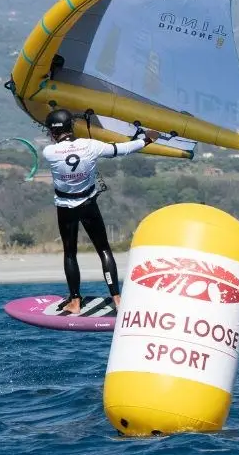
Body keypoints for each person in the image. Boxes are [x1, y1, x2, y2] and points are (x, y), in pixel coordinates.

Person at [42, 108, 159, 314]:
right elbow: (122, 149)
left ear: (52, 133)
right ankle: (117, 298)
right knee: (103, 250)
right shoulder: (91, 146)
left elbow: (63, 148)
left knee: (70, 253)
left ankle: (75, 301)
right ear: (72, 127)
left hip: (66, 209)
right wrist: (146, 140)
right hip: (88, 205)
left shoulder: (49, 153)